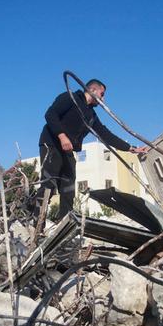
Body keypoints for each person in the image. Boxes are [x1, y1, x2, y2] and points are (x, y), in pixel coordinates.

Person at [34, 78, 148, 220]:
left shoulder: (91, 116)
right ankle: (36, 221)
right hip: (51, 145)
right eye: (102, 94)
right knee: (48, 184)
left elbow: (106, 135)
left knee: (68, 188)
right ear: (92, 90)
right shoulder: (70, 97)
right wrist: (62, 136)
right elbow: (50, 114)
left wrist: (131, 148)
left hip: (68, 152)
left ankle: (63, 224)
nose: (103, 99)